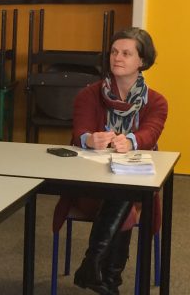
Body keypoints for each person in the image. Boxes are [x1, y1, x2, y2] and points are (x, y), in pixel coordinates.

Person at [69, 27, 167, 294]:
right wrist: (90, 140)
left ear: (142, 61)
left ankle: (94, 268)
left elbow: (150, 133)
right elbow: (80, 132)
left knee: (124, 194)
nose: (117, 57)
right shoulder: (88, 94)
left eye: (126, 53)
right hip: (90, 186)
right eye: (114, 51)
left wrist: (131, 141)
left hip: (132, 190)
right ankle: (106, 279)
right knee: (124, 199)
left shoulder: (157, 102)